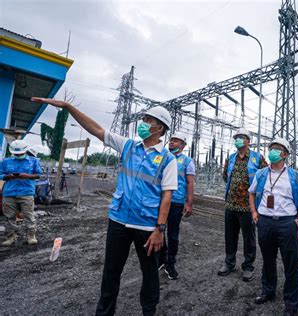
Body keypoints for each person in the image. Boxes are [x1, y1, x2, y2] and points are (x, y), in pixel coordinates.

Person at [31, 97, 177, 316]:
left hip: (147, 227)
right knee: (111, 273)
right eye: (144, 118)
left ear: (160, 129)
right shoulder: (128, 146)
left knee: (149, 273)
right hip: (118, 220)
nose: (144, 123)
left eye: (148, 120)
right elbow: (96, 129)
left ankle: (149, 311)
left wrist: (160, 229)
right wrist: (69, 107)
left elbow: (167, 197)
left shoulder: (167, 160)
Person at [249, 137, 298, 316]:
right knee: (268, 260)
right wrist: (254, 213)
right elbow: (251, 193)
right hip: (265, 222)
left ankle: (291, 302)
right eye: (271, 148)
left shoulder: (295, 175)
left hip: (287, 223)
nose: (272, 152)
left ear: (285, 154)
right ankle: (268, 291)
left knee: (290, 263)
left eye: (276, 149)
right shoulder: (261, 174)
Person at [218, 127, 267, 282]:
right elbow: (226, 176)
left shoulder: (257, 158)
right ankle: (229, 262)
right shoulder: (231, 158)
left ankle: (248, 266)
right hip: (231, 204)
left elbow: (266, 177)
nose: (238, 139)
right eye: (236, 137)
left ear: (248, 141)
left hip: (248, 206)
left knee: (249, 238)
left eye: (241, 137)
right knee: (230, 236)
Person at [158, 131, 195, 280]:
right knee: (158, 229)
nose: (172, 142)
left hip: (176, 201)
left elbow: (190, 182)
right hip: (160, 200)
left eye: (176, 141)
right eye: (171, 140)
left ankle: (170, 263)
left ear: (183, 145)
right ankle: (161, 258)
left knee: (173, 233)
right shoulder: (162, 158)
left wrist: (189, 203)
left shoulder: (187, 161)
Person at [1, 139, 42, 246]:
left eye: (20, 154)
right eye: (16, 154)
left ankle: (31, 236)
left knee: (29, 215)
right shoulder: (6, 162)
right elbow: (1, 174)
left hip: (26, 192)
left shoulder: (33, 161)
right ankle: (11, 237)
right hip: (9, 192)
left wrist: (27, 176)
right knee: (9, 216)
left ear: (25, 151)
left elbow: (38, 175)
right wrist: (8, 176)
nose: (18, 155)